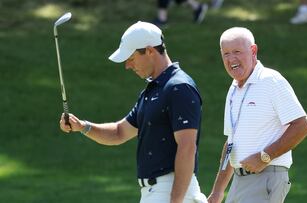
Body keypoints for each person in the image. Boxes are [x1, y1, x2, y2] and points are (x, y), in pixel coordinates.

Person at [59, 21, 207, 203]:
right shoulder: (151, 91)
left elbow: (187, 147)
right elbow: (119, 132)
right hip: (155, 192)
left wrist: (175, 200)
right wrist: (82, 126)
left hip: (172, 191)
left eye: (131, 58)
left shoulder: (179, 87)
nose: (127, 66)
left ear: (150, 51)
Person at [207, 27, 307, 203]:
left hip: (265, 176)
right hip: (239, 181)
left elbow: (302, 126)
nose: (231, 59)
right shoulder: (234, 89)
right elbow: (231, 143)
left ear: (253, 50)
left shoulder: (270, 80)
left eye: (237, 52)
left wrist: (265, 156)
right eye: (226, 54)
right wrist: (218, 191)